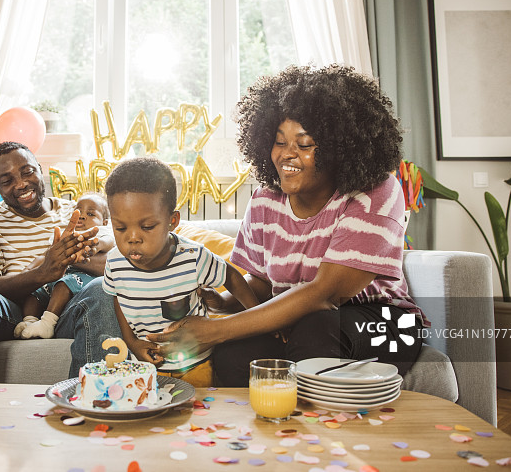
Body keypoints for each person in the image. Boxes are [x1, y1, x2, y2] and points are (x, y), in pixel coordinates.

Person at [147, 64, 427, 386]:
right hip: (302, 322)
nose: (286, 155)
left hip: (385, 325)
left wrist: (216, 331)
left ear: (340, 148)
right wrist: (221, 302)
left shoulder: (376, 191)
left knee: (317, 327)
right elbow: (263, 286)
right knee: (236, 354)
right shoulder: (266, 199)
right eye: (279, 142)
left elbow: (325, 293)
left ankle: (323, 435)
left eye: (304, 144)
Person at [0, 142, 121, 381]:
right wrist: (44, 271)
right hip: (15, 313)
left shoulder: (77, 212)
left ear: (39, 168)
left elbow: (112, 266)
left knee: (102, 288)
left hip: (70, 307)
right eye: (7, 180)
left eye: (27, 172)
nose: (21, 184)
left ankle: (97, 402)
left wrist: (64, 259)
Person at [103, 157, 259, 387]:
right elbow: (119, 298)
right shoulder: (115, 262)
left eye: (147, 227)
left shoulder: (193, 257)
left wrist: (255, 315)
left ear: (172, 221)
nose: (132, 238)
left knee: (195, 418)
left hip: (195, 365)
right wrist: (132, 343)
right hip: (146, 368)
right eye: (120, 228)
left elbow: (232, 277)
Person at [13, 192, 114, 339]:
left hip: (82, 277)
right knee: (36, 292)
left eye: (91, 214)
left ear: (104, 222)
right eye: (79, 211)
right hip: (59, 273)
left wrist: (95, 245)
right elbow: (47, 255)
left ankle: (47, 323)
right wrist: (30, 270)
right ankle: (29, 321)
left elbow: (108, 242)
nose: (83, 216)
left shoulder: (100, 232)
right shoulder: (65, 233)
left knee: (64, 284)